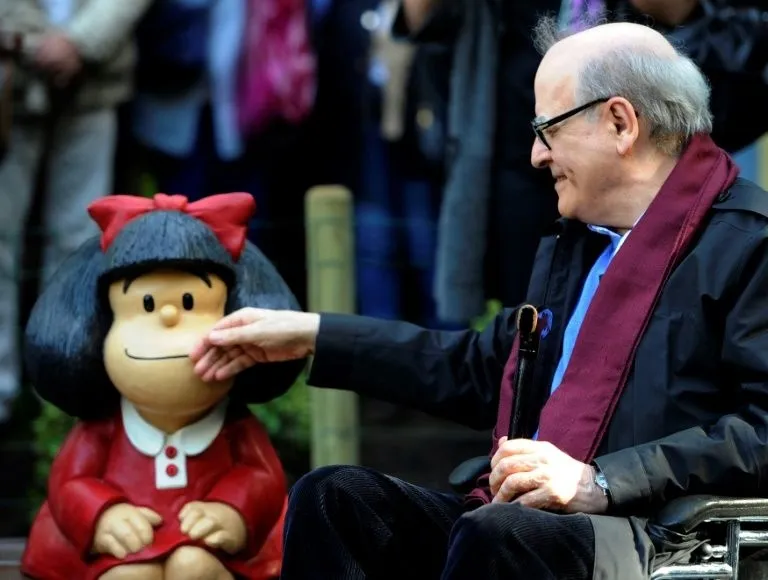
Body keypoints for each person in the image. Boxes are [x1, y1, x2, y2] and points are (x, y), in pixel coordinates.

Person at [190, 18, 768, 579]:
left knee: (498, 534)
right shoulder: (580, 245)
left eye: (548, 128)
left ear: (620, 123)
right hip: (522, 523)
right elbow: (478, 369)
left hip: (658, 538)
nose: (537, 155)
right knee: (334, 499)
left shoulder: (748, 243)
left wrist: (604, 480)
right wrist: (312, 334)